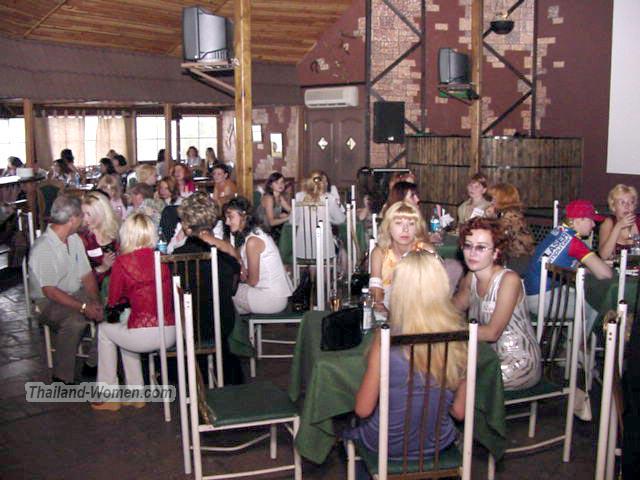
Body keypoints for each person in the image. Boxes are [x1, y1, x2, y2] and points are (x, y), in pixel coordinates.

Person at [343, 251, 467, 470]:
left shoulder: (386, 340)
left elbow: (363, 409)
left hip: (385, 444)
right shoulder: (460, 340)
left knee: (350, 428)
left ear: (399, 291)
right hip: (438, 442)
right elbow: (459, 411)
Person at [94, 213, 176, 411]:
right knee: (124, 328)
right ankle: (135, 393)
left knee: (105, 330)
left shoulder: (123, 262)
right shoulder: (163, 259)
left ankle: (108, 395)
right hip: (170, 332)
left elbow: (114, 301)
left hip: (144, 333)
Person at [454, 217, 541, 390]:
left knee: (453, 380)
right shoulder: (471, 277)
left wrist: (447, 332)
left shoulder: (509, 280)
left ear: (495, 252)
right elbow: (452, 310)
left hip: (518, 363)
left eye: (481, 247)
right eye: (468, 246)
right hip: (486, 356)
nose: (472, 253)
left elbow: (492, 333)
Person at [28, 195, 103, 384]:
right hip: (47, 302)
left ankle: (93, 363)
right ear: (72, 219)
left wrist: (95, 301)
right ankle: (62, 377)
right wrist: (84, 307)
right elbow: (50, 291)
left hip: (74, 292)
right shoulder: (43, 247)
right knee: (75, 321)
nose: (83, 220)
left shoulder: (74, 239)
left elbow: (87, 275)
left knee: (109, 308)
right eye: (81, 216)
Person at [174, 192, 243, 384]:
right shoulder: (227, 251)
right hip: (222, 322)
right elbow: (233, 288)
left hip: (188, 327)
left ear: (186, 225)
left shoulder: (176, 257)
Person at [523, 199, 613, 334]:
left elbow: (571, 265)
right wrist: (600, 266)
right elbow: (606, 274)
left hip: (530, 294)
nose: (594, 225)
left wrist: (592, 268)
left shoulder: (558, 231)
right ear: (578, 220)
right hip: (542, 299)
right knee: (595, 307)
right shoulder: (574, 242)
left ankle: (572, 341)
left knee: (587, 297)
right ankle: (580, 345)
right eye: (591, 220)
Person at [225, 197, 293, 314]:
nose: (227, 222)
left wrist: (241, 278)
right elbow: (239, 254)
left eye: (230, 217)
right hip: (272, 294)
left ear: (243, 216)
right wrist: (241, 265)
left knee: (224, 290)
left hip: (271, 298)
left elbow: (253, 281)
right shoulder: (254, 233)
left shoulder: (253, 241)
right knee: (229, 296)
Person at [369, 201, 434, 312]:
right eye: (398, 223)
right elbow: (376, 298)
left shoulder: (426, 251)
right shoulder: (379, 253)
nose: (405, 229)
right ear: (388, 227)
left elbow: (434, 294)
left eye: (411, 224)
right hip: (386, 312)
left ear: (417, 228)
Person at [485, 183, 535, 275]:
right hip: (512, 256)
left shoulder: (511, 215)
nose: (491, 202)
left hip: (518, 260)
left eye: (494, 199)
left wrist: (489, 217)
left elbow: (497, 235)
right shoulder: (508, 212)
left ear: (502, 199)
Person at [79, 191, 119, 288]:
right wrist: (103, 267)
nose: (85, 219)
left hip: (117, 284)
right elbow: (79, 279)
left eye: (89, 214)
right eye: (83, 214)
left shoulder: (115, 232)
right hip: (96, 288)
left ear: (101, 214)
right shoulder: (83, 238)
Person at [598, 184, 640, 260]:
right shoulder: (608, 223)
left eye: (631, 202)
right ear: (614, 206)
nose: (627, 206)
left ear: (634, 206)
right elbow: (604, 255)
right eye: (622, 202)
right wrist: (618, 226)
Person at [255, 172, 291, 241]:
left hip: (271, 230)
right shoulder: (269, 198)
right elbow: (271, 222)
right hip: (261, 231)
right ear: (271, 185)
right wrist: (288, 218)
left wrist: (283, 215)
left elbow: (291, 211)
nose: (280, 185)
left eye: (282, 182)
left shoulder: (280, 197)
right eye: (276, 183)